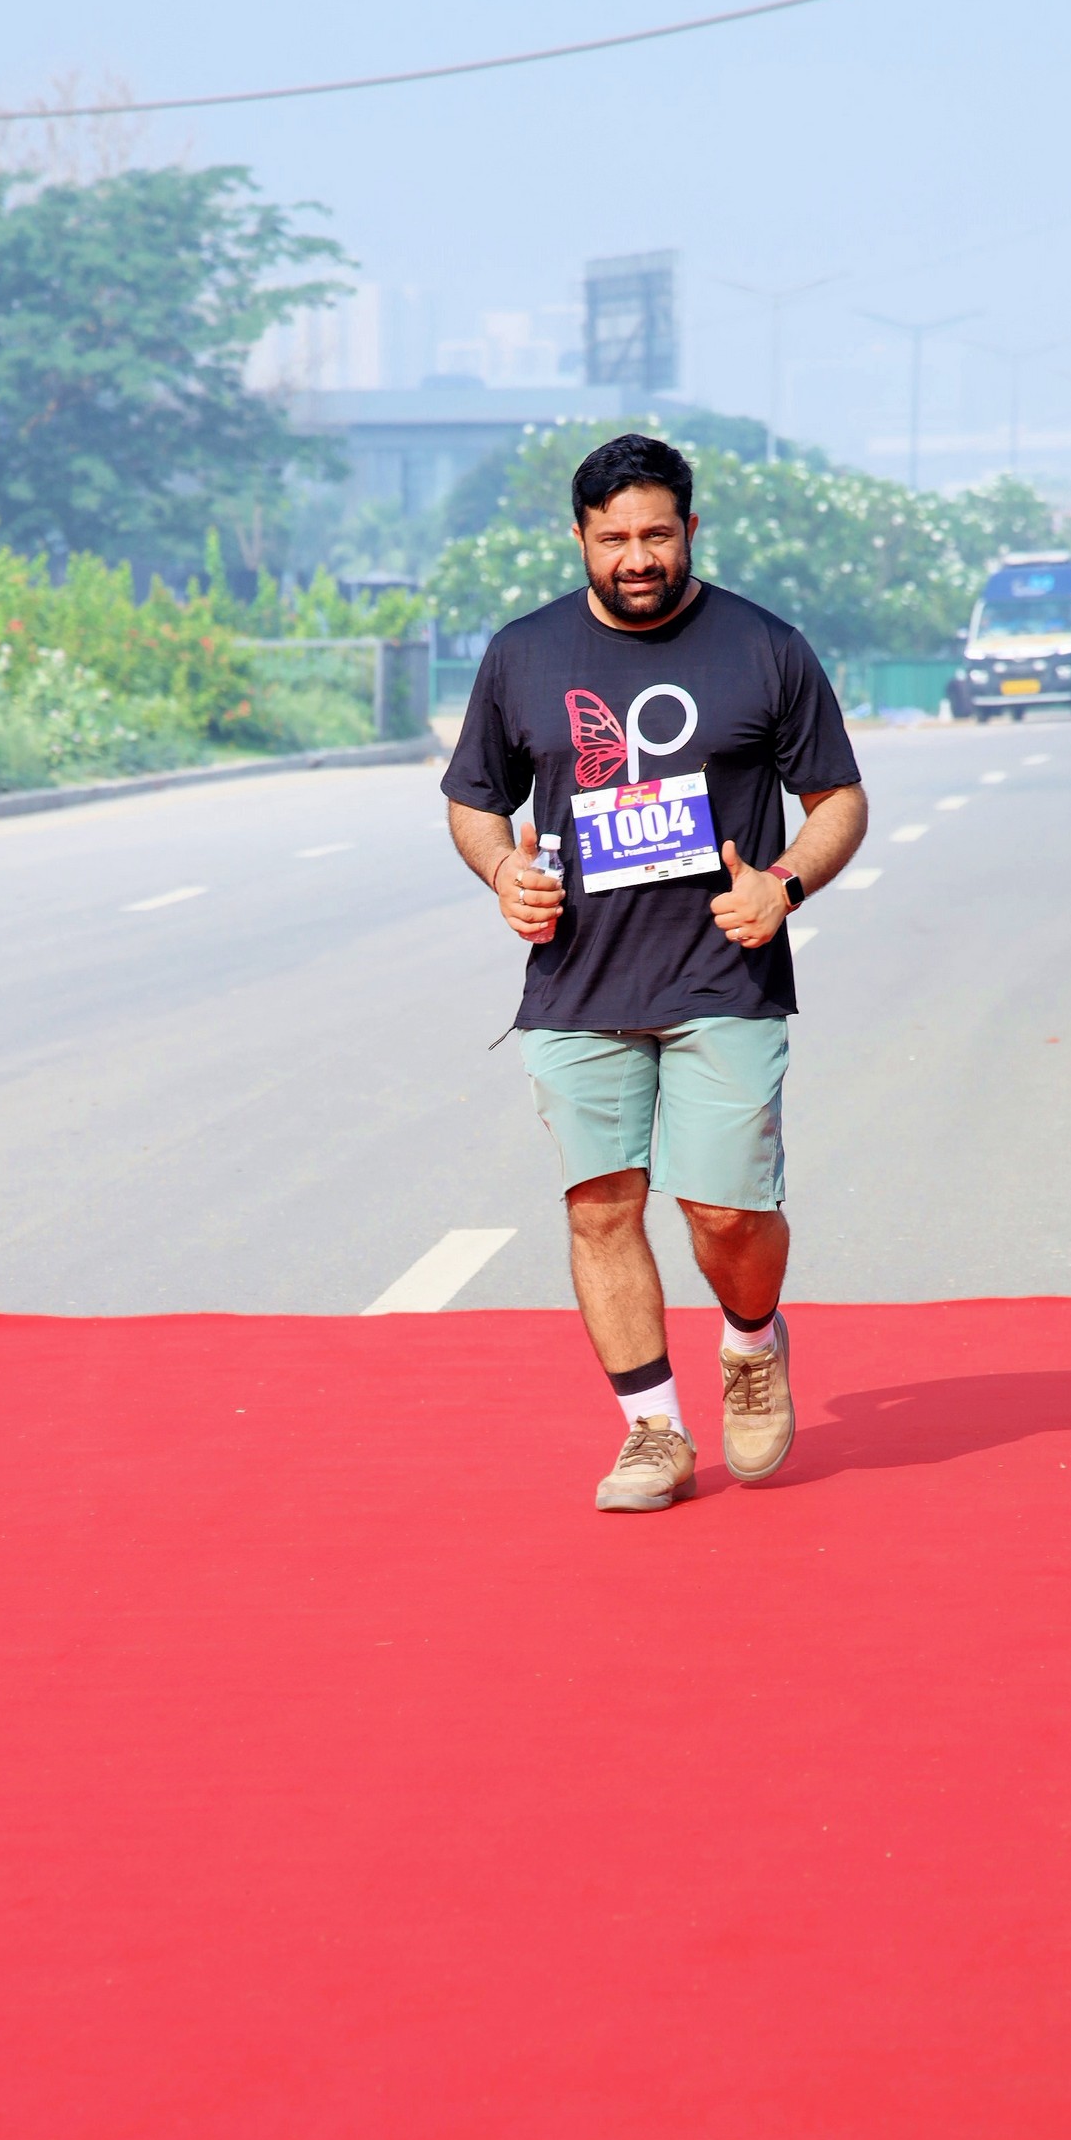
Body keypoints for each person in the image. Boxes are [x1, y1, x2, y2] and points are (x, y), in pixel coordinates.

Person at [441, 434, 869, 1513]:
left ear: (690, 529)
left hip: (723, 971)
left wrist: (783, 885)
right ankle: (653, 1431)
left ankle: (751, 1340)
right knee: (601, 1207)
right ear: (579, 538)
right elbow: (474, 798)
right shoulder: (524, 654)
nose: (637, 558)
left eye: (657, 535)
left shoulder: (764, 647)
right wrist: (501, 871)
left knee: (723, 1213)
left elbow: (838, 800)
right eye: (614, 538)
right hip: (576, 981)